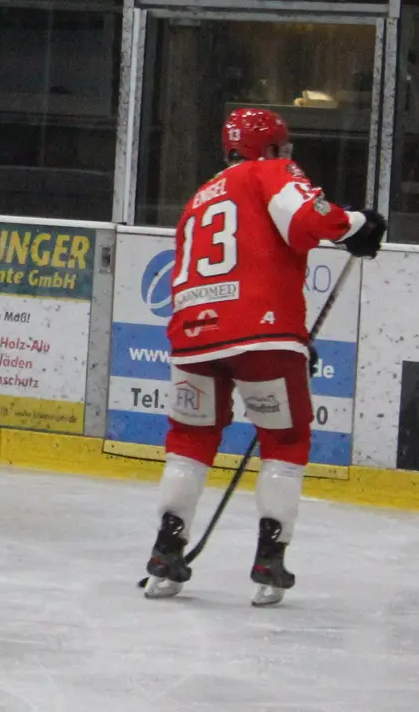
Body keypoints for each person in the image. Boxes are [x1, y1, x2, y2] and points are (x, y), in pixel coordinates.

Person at [142, 107, 387, 605]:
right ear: (270, 148)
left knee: (190, 438)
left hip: (192, 334)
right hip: (262, 335)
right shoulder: (271, 171)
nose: (287, 154)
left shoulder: (197, 199)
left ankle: (166, 553)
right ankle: (268, 560)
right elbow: (309, 218)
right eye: (284, 146)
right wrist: (358, 223)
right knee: (286, 439)